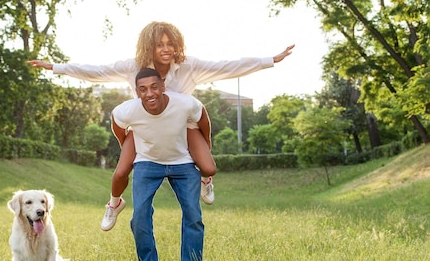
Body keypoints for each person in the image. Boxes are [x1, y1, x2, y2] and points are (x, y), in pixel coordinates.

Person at [29, 21, 294, 232]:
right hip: (144, 126)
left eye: (170, 44)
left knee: (208, 166)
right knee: (121, 171)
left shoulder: (189, 66)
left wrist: (270, 59)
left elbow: (228, 66)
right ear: (149, 47)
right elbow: (96, 71)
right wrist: (56, 67)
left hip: (183, 126)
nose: (166, 49)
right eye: (159, 45)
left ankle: (206, 180)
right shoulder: (133, 67)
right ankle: (114, 204)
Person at [111, 67, 208, 261]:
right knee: (140, 216)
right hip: (147, 162)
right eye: (143, 89)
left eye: (154, 87)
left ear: (163, 86)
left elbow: (202, 118)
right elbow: (117, 124)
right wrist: (126, 144)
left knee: (193, 215)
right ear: (136, 92)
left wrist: (205, 149)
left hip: (182, 161)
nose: (150, 93)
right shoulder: (127, 110)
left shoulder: (185, 103)